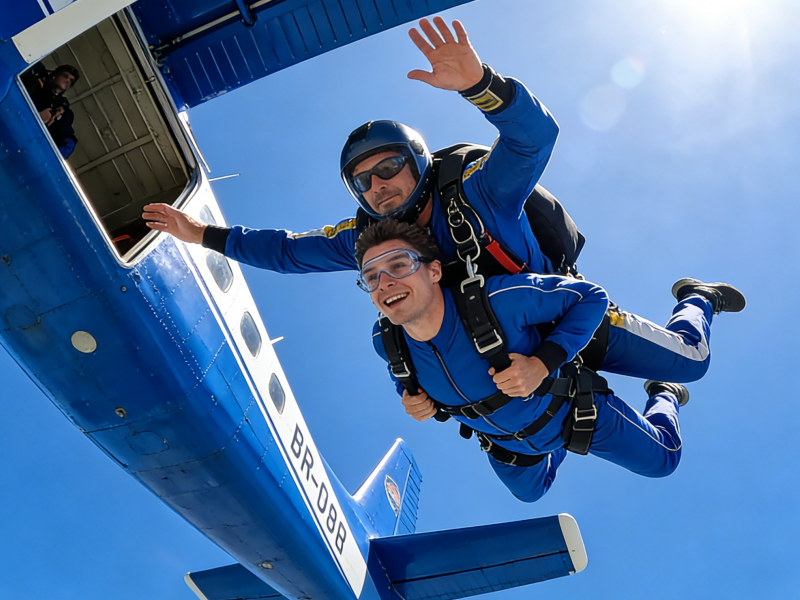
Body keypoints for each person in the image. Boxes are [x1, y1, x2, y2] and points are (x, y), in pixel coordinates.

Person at [142, 17, 745, 386]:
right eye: (363, 181)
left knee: (691, 362)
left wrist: (483, 87)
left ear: (419, 164)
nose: (378, 185)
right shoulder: (368, 242)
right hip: (504, 355)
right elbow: (288, 252)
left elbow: (535, 138)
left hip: (566, 317)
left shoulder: (481, 191)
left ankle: (695, 297)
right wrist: (201, 236)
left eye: (388, 167)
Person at [356, 218, 688, 503]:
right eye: (371, 277)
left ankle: (678, 354)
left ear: (434, 270)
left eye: (399, 265)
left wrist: (543, 363)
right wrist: (409, 396)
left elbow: (591, 297)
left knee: (664, 460)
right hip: (510, 448)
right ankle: (551, 444)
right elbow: (400, 373)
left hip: (577, 413)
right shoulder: (386, 339)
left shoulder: (497, 301)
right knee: (530, 494)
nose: (384, 283)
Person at [21, 63, 80, 159]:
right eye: (65, 76)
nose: (67, 81)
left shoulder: (62, 108)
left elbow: (65, 135)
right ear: (55, 74)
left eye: (71, 81)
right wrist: (35, 116)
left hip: (31, 141)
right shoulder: (35, 79)